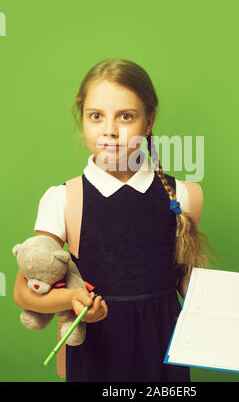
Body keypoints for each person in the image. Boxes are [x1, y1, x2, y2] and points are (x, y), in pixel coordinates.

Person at [14, 58, 211, 382]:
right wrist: (72, 299)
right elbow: (24, 290)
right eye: (96, 116)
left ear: (149, 121)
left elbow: (185, 280)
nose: (109, 130)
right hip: (93, 354)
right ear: (82, 121)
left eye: (126, 116)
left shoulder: (184, 196)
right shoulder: (63, 198)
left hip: (164, 352)